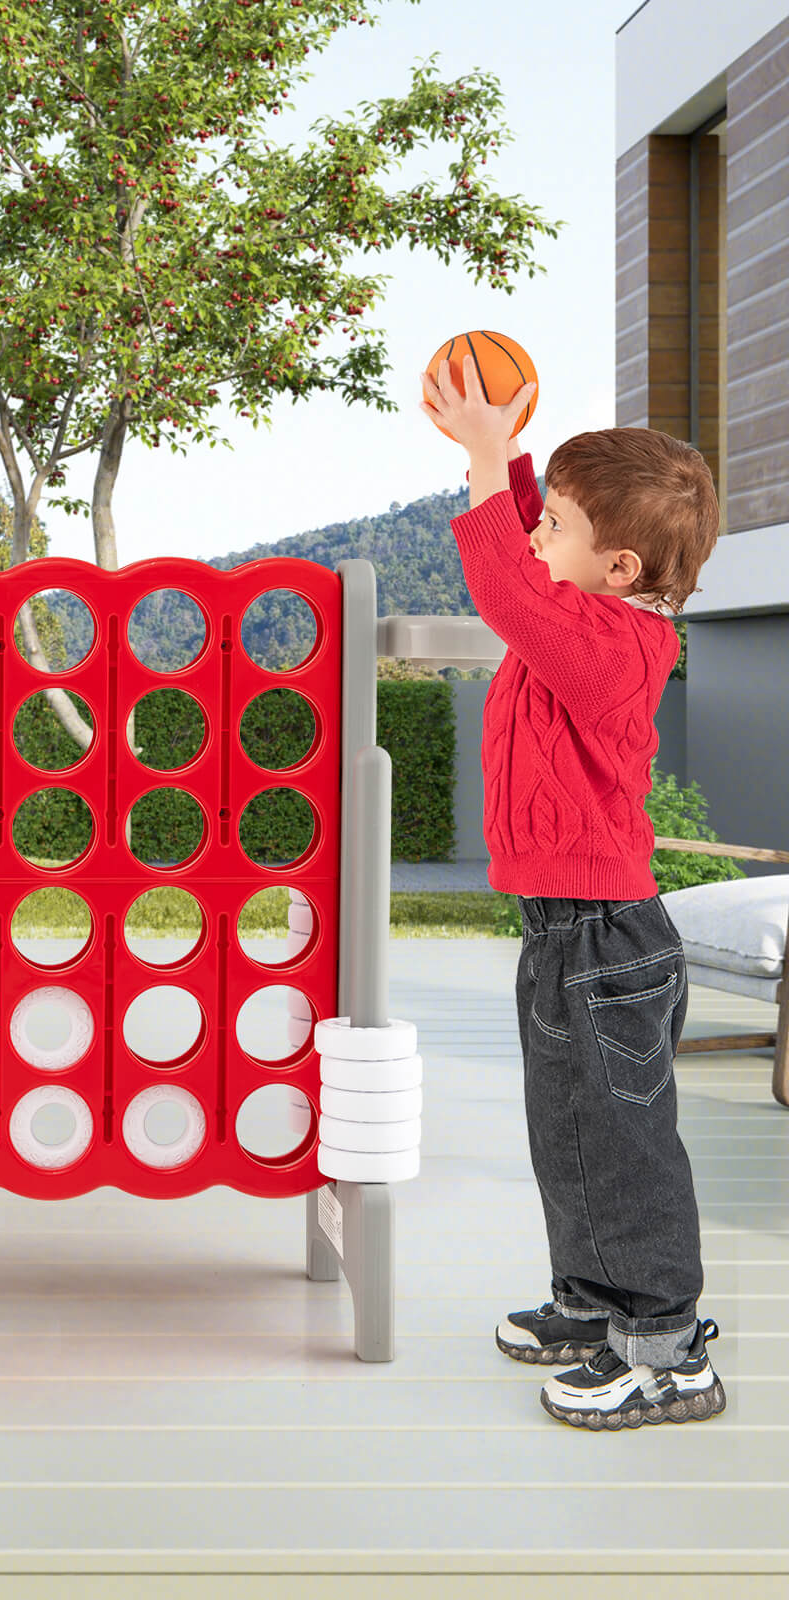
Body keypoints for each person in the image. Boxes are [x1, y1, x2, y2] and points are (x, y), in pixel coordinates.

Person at [421, 354, 725, 1430]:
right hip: (561, 932)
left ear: (620, 566)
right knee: (570, 1129)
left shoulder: (613, 647)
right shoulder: (583, 617)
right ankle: (594, 1302)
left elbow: (504, 585)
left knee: (624, 1140)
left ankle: (667, 1348)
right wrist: (504, 459)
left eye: (553, 524)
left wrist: (481, 456)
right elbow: (525, 568)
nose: (534, 535)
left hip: (607, 942)